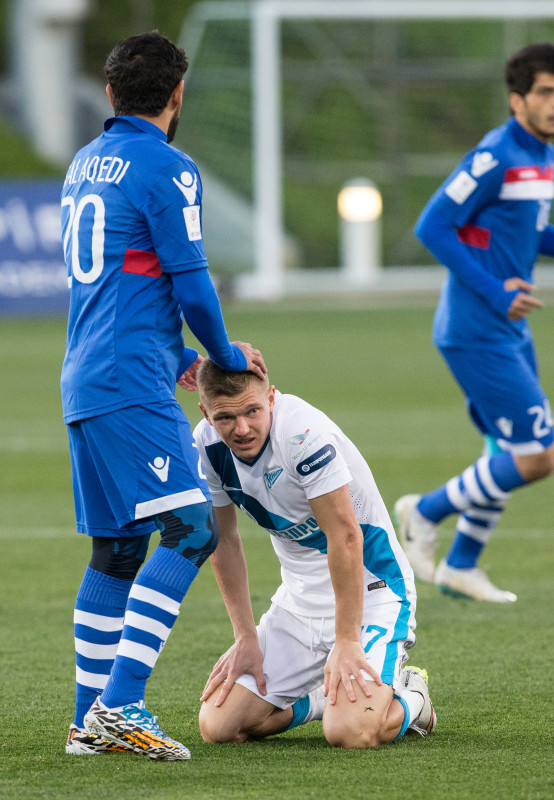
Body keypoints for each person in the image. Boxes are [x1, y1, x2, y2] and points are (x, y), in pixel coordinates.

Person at [61, 32, 266, 760]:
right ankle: (121, 705)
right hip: (126, 381)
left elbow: (115, 282)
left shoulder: (85, 165)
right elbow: (191, 279)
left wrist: (171, 352)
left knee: (117, 551)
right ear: (177, 98)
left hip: (89, 373)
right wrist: (222, 354)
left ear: (111, 96)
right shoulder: (168, 168)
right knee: (190, 529)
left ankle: (89, 725)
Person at [395, 43, 554, 603]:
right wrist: (495, 289)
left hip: (507, 326)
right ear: (517, 100)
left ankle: (462, 565)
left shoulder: (545, 157)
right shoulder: (494, 156)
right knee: (537, 456)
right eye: (546, 93)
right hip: (474, 328)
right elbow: (432, 226)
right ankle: (422, 512)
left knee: (506, 448)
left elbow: (534, 234)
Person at [193, 359, 436, 749]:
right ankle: (323, 701)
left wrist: (346, 639)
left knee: (350, 733)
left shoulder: (302, 435)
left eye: (253, 411)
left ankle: (411, 698)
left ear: (271, 398)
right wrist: (245, 636)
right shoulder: (205, 446)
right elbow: (222, 538)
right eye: (225, 417)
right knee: (220, 726)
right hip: (297, 605)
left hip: (372, 594)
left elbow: (345, 537)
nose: (241, 428)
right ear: (206, 412)